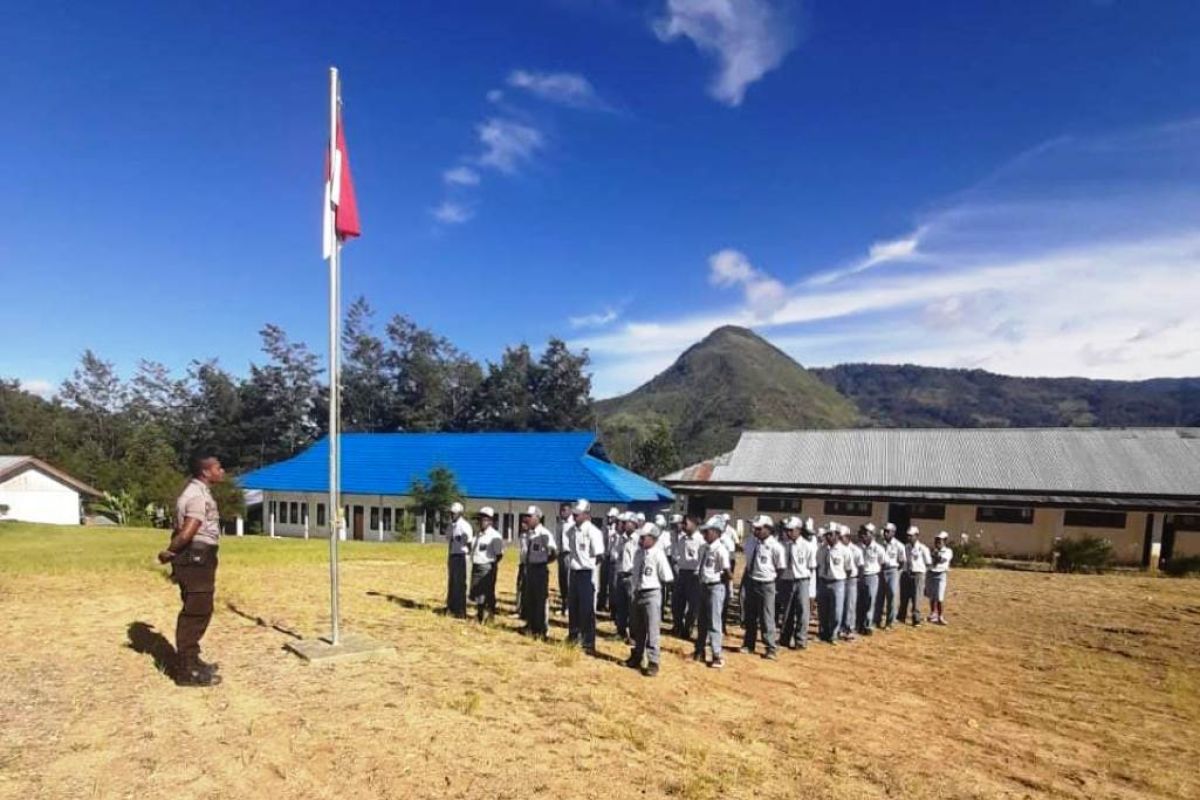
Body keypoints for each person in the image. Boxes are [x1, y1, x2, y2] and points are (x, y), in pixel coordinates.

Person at [158, 454, 225, 687]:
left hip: (198, 556)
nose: (222, 471)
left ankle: (193, 660)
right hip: (196, 557)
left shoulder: (198, 492)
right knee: (196, 610)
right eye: (218, 467)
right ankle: (186, 670)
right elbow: (188, 531)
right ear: (206, 472)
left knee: (199, 608)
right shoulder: (197, 496)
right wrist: (170, 552)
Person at [627, 521, 674, 676]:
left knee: (652, 629)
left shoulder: (658, 554)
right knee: (638, 628)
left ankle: (653, 661)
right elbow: (635, 573)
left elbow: (667, 576)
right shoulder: (638, 553)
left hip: (652, 593)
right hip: (639, 592)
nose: (640, 541)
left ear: (653, 538)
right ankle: (637, 655)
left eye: (643, 538)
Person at [739, 515, 786, 660]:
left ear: (768, 529)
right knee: (750, 615)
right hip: (751, 581)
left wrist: (772, 582)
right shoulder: (752, 541)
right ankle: (748, 644)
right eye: (754, 528)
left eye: (758, 528)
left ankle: (770, 647)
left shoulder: (776, 547)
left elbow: (781, 568)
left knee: (767, 617)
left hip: (766, 584)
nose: (755, 531)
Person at [564, 499, 606, 653]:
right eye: (574, 514)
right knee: (573, 606)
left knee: (587, 609)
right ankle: (573, 636)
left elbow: (599, 555)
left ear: (586, 514)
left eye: (578, 514)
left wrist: (592, 570)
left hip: (587, 572)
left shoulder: (593, 532)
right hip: (574, 572)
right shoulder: (572, 531)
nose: (575, 517)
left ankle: (588, 641)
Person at [694, 516, 732, 668]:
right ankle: (699, 649)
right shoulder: (703, 548)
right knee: (701, 620)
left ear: (716, 532)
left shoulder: (720, 550)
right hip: (703, 585)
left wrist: (720, 579)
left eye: (707, 532)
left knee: (714, 621)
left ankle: (716, 654)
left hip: (715, 587)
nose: (704, 534)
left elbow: (728, 572)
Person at [779, 516, 816, 650]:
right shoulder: (783, 545)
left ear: (799, 530)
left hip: (802, 580)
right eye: (787, 530)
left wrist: (805, 581)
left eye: (791, 530)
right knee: (787, 611)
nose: (788, 533)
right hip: (787, 580)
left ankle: (800, 640)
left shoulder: (807, 546)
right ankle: (784, 638)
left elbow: (811, 566)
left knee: (802, 611)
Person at [520, 506, 557, 640]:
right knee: (530, 598)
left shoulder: (545, 533)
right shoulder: (530, 533)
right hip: (530, 568)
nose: (528, 519)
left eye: (530, 517)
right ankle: (531, 625)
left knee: (540, 599)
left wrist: (544, 562)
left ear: (537, 518)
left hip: (540, 569)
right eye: (527, 517)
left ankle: (541, 629)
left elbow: (553, 552)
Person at [470, 508, 504, 623]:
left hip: (487, 566)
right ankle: (479, 614)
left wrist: (491, 565)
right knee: (477, 592)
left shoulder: (495, 536)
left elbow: (499, 554)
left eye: (484, 519)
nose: (481, 522)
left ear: (490, 521)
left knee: (487, 592)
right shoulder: (478, 534)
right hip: (476, 565)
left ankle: (490, 616)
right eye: (480, 519)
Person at [671, 515, 703, 639]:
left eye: (686, 523)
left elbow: (701, 558)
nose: (683, 526)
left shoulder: (700, 540)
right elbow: (677, 555)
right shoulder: (682, 539)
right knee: (677, 602)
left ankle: (688, 627)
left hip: (694, 574)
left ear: (694, 524)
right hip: (682, 573)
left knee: (693, 604)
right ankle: (677, 625)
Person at [815, 526, 847, 644]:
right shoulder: (822, 549)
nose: (828, 537)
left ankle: (834, 634)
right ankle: (823, 633)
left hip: (837, 582)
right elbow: (818, 564)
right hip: (824, 581)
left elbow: (848, 568)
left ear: (837, 535)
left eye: (831, 534)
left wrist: (840, 579)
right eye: (826, 534)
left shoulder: (844, 550)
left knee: (836, 611)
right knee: (823, 610)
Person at [611, 512, 639, 644]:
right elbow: (616, 554)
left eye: (626, 522)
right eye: (623, 522)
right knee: (620, 605)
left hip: (632, 576)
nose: (623, 524)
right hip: (621, 574)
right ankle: (620, 631)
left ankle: (633, 634)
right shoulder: (620, 538)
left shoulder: (638, 539)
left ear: (634, 524)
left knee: (632, 607)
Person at [445, 501, 474, 619]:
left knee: (461, 584)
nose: (451, 515)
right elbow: (448, 539)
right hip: (452, 555)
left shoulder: (464, 526)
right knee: (452, 583)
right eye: (450, 513)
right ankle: (451, 607)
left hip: (462, 556)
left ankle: (461, 610)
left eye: (453, 513)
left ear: (459, 514)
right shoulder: (451, 526)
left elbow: (469, 542)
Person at [875, 522, 906, 629]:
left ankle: (890, 621)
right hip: (880, 570)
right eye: (884, 531)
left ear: (893, 532)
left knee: (892, 596)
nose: (885, 533)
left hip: (892, 570)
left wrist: (896, 571)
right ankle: (876, 620)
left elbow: (902, 561)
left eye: (888, 531)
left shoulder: (899, 546)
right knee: (879, 596)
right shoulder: (879, 544)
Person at [857, 524, 886, 635]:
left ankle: (868, 625)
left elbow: (882, 564)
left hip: (872, 576)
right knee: (860, 602)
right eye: (862, 533)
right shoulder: (858, 547)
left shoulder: (879, 549)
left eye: (866, 533)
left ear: (872, 535)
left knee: (870, 601)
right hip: (860, 576)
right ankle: (858, 624)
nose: (863, 535)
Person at [900, 526, 932, 626]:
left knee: (916, 597)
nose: (909, 538)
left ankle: (916, 619)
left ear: (917, 536)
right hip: (906, 573)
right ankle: (901, 616)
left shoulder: (923, 548)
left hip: (918, 574)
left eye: (911, 536)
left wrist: (924, 576)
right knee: (904, 596)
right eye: (908, 536)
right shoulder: (905, 547)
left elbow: (928, 563)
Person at [839, 526, 862, 641]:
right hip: (840, 578)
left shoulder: (855, 550)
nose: (839, 539)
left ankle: (849, 628)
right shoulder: (839, 549)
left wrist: (857, 578)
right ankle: (840, 628)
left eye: (841, 537)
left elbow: (860, 566)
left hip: (851, 579)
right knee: (840, 604)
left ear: (847, 537)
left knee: (850, 605)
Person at [718, 514, 740, 633]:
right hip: (714, 572)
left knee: (725, 598)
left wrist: (728, 574)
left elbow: (731, 557)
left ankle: (722, 624)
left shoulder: (728, 537)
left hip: (724, 571)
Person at [927, 531, 954, 625]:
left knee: (939, 597)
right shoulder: (933, 550)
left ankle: (940, 616)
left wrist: (935, 554)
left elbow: (942, 560)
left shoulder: (948, 551)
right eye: (936, 540)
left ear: (945, 541)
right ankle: (933, 613)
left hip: (941, 574)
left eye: (940, 540)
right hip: (931, 573)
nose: (937, 542)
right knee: (932, 596)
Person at [598, 507, 619, 612]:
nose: (609, 518)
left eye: (612, 517)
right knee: (603, 582)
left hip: (613, 559)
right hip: (605, 557)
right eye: (608, 517)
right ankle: (601, 603)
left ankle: (612, 605)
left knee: (613, 584)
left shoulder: (618, 530)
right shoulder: (604, 528)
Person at [555, 503, 573, 615]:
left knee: (568, 581)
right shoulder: (560, 523)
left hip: (569, 554)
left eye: (565, 510)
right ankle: (563, 604)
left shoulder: (573, 524)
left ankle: (569, 607)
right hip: (561, 554)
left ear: (570, 511)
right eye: (561, 510)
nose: (562, 512)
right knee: (562, 581)